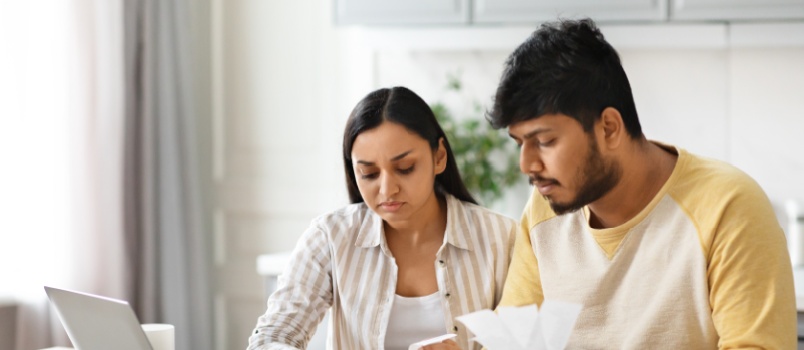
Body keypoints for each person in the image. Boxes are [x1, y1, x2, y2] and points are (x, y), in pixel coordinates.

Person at [488, 18, 796, 349]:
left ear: (608, 128)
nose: (527, 165)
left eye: (545, 141)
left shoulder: (728, 206)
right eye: (520, 143)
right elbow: (513, 340)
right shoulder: (543, 210)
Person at [247, 86, 516, 350]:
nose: (387, 190)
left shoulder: (501, 238)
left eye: (405, 168)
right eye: (369, 174)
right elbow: (273, 335)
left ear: (439, 157)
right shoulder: (330, 237)